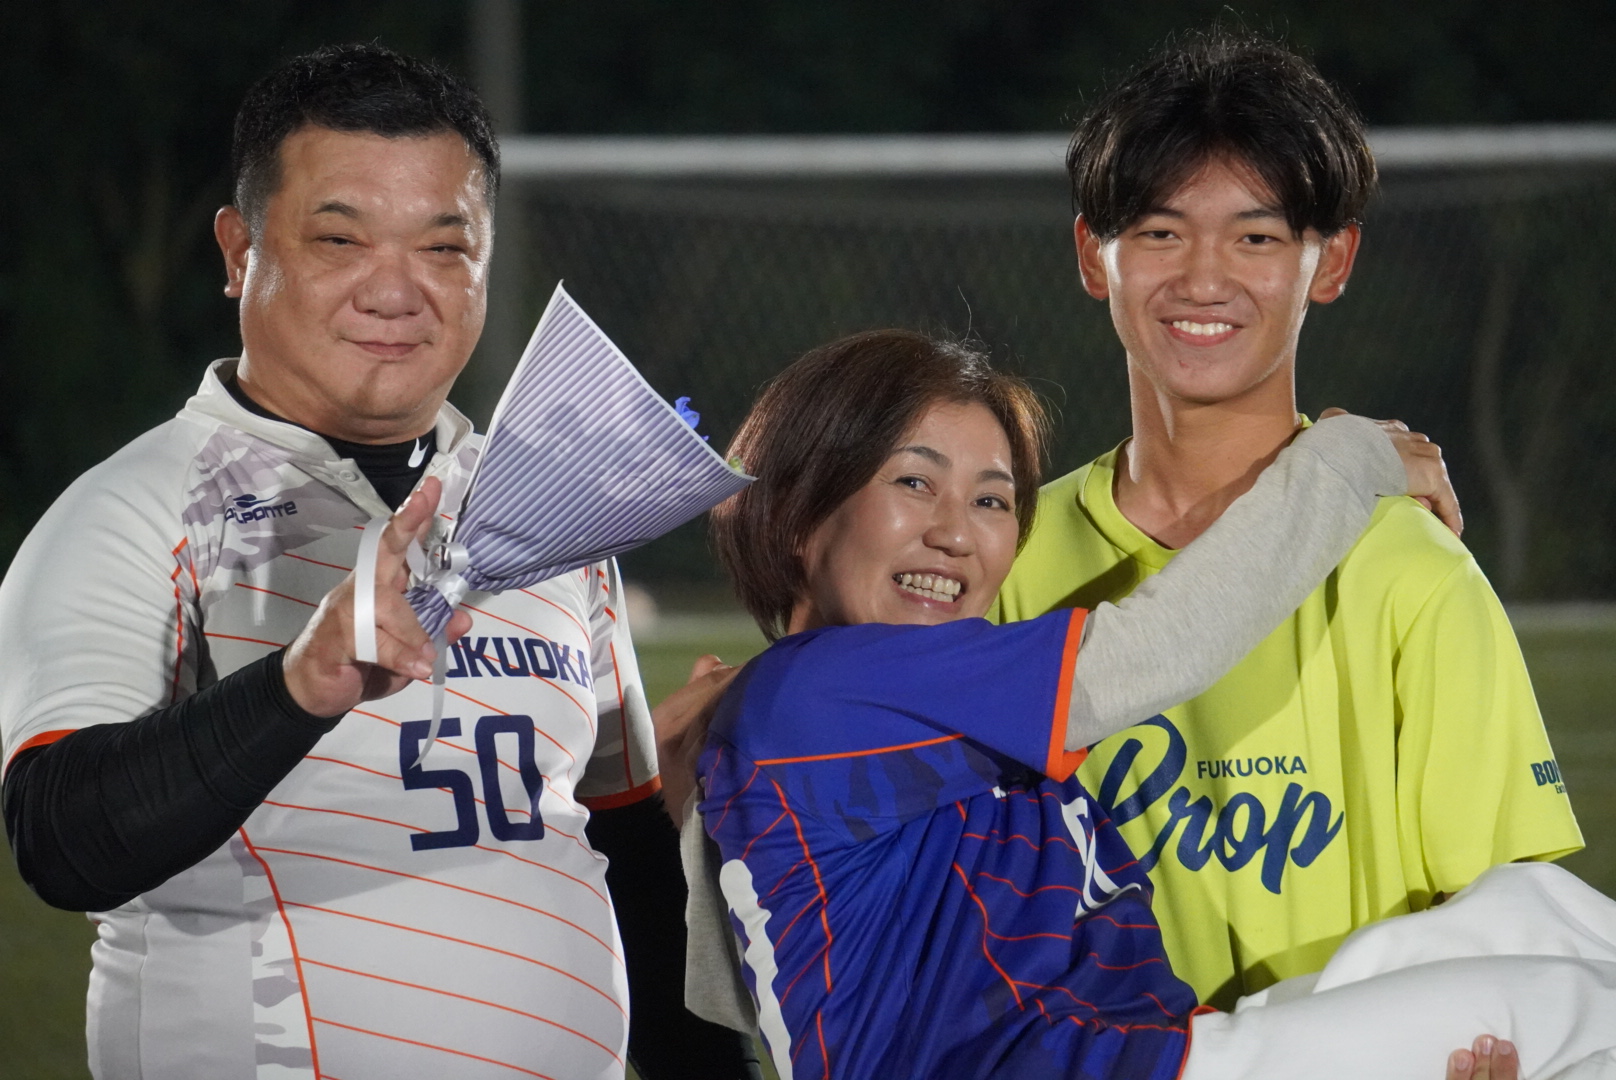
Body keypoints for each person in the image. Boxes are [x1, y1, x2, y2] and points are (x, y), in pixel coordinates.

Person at [0, 44, 754, 1080]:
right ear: (238, 251)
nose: (396, 290)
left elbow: (624, 862)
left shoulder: (544, 507)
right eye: (340, 239)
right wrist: (296, 690)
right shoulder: (136, 509)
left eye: (444, 246)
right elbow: (61, 841)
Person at [677, 329, 1616, 1080]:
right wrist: (1348, 457)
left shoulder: (836, 706)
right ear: (799, 512)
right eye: (914, 482)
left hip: (1164, 1048)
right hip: (1121, 1067)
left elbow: (743, 982)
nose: (956, 533)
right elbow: (1163, 645)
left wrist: (689, 798)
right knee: (1574, 1011)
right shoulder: (820, 690)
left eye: (993, 501)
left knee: (1529, 912)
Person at [991, 29, 1583, 1011]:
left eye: (1256, 238)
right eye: (1160, 232)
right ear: (1092, 256)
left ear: (1331, 260)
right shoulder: (1008, 559)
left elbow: (1506, 919)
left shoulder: (1410, 571)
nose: (1203, 278)